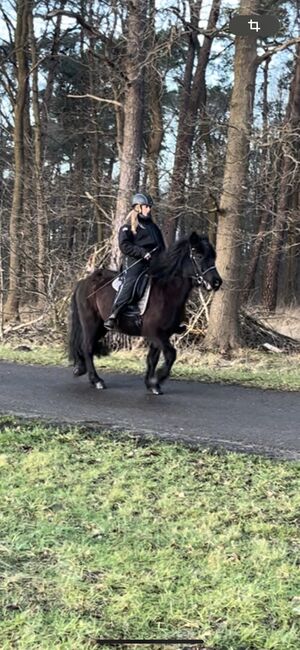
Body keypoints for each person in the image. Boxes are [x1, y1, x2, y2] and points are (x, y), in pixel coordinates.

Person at [104, 192, 166, 330]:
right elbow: (124, 245)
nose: (149, 209)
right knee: (132, 282)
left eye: (150, 207)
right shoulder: (128, 225)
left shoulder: (153, 227)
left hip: (153, 262)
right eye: (146, 206)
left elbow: (161, 246)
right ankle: (114, 314)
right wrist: (142, 252)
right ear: (137, 207)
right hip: (135, 262)